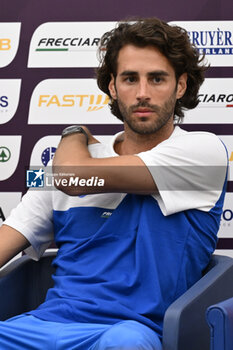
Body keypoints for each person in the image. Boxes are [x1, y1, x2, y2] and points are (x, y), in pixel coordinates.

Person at [0, 17, 228, 350]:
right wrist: (75, 143)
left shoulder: (203, 152)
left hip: (128, 332)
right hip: (43, 326)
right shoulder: (70, 161)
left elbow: (72, 178)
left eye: (157, 79)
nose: (143, 93)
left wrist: (71, 132)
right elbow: (8, 239)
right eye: (130, 79)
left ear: (180, 86)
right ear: (112, 86)